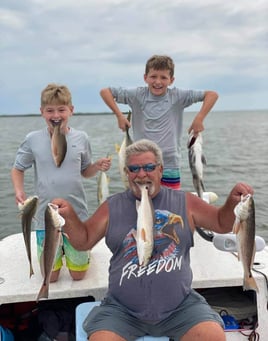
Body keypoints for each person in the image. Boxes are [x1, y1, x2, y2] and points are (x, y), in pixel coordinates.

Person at [52, 139, 253, 341]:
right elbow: (83, 241)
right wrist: (68, 216)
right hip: (122, 310)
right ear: (127, 172)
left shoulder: (185, 202)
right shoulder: (112, 206)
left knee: (212, 335)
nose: (141, 174)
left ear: (160, 170)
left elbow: (220, 223)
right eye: (134, 169)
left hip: (180, 307)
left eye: (149, 167)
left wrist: (233, 202)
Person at [11, 83, 111, 282]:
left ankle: (80, 253)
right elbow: (18, 168)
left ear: (71, 111)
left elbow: (85, 171)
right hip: (44, 216)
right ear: (41, 112)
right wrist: (19, 191)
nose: (55, 115)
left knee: (78, 275)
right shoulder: (33, 139)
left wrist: (97, 166)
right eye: (50, 110)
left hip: (77, 215)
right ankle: (60, 254)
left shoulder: (81, 138)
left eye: (61, 109)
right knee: (51, 276)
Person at [100, 54, 218, 190]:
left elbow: (212, 95)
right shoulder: (137, 95)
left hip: (169, 163)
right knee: (143, 205)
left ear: (171, 80)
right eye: (153, 76)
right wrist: (119, 116)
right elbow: (105, 92)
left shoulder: (177, 96)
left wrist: (199, 119)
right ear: (145, 78)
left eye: (163, 77)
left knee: (170, 206)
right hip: (141, 165)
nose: (158, 82)